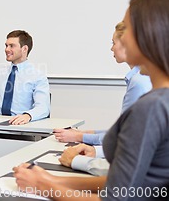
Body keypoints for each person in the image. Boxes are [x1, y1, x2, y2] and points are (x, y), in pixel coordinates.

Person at [13, 0, 169, 200]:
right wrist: (53, 180)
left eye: (127, 29)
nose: (121, 38)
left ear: (148, 34)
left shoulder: (151, 107)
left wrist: (43, 185)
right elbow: (130, 183)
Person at [54, 22, 151, 176]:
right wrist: (86, 135)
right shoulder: (139, 79)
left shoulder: (140, 82)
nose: (111, 48)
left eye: (114, 43)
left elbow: (125, 138)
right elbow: (123, 131)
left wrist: (84, 142)